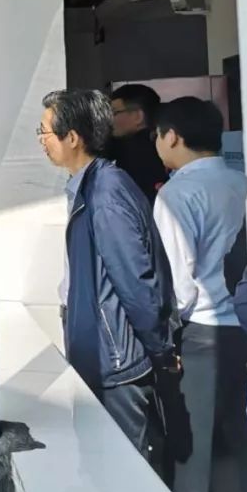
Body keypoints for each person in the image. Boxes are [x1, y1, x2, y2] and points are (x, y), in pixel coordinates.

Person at [39, 89, 178, 461]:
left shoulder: (106, 193)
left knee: (126, 465)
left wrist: (160, 349)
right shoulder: (91, 184)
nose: (41, 141)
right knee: (102, 462)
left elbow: (136, 282)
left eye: (45, 132)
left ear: (72, 137)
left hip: (118, 359)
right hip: (102, 351)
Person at [152, 97, 247, 492]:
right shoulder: (242, 183)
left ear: (172, 137)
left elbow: (177, 285)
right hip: (240, 332)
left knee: (193, 454)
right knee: (235, 444)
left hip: (199, 334)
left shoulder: (176, 195)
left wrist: (164, 339)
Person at [108, 84, 169, 203]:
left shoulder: (131, 150)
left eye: (114, 113)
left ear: (138, 116)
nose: (109, 120)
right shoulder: (164, 146)